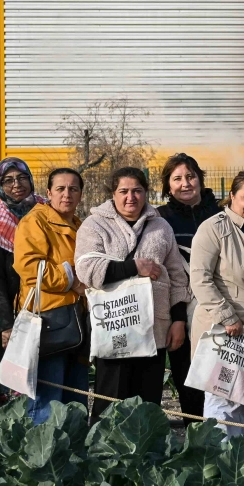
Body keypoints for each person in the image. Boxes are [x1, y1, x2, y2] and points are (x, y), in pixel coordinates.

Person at [74, 166, 190, 423]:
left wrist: (178, 318)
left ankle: (146, 459)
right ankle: (105, 458)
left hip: (154, 330)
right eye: (123, 191)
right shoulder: (94, 225)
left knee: (148, 405)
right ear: (112, 194)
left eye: (137, 191)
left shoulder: (161, 226)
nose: (131, 197)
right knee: (110, 402)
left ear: (146, 193)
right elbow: (86, 268)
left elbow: (177, 276)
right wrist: (134, 267)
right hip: (115, 326)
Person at [189, 170, 244, 435]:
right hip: (225, 330)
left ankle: (239, 465)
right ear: (231, 196)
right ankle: (219, 466)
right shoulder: (214, 228)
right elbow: (200, 278)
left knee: (243, 401)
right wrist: (227, 316)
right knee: (221, 402)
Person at [14, 168, 88, 425]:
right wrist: (73, 281)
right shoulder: (34, 222)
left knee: (76, 401)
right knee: (47, 402)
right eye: (60, 188)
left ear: (80, 194)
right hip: (48, 324)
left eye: (73, 189)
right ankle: (43, 459)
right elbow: (31, 270)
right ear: (48, 193)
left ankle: (73, 459)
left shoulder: (81, 225)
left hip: (77, 324)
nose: (67, 194)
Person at [159, 153, 222, 419]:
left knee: (220, 377)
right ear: (167, 185)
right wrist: (176, 317)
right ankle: (195, 440)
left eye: (190, 176)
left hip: (220, 308)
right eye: (177, 179)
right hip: (181, 309)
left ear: (200, 178)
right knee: (189, 376)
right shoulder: (160, 219)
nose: (185, 183)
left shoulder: (221, 214)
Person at [0, 157, 43, 358]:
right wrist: (5, 325)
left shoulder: (45, 208)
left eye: (22, 177)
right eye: (8, 180)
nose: (17, 185)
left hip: (50, 305)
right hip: (16, 314)